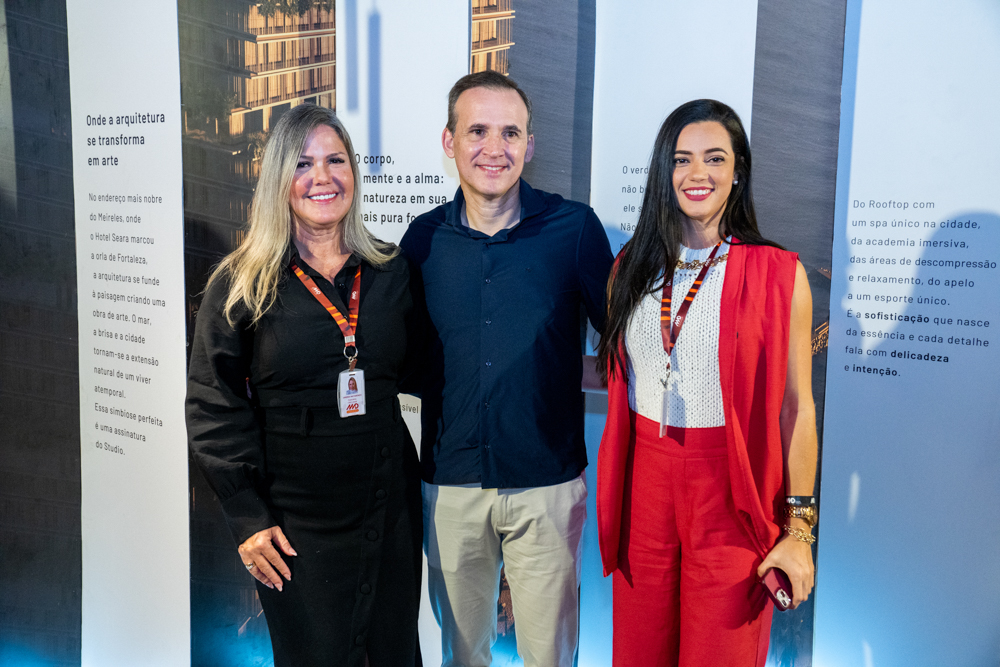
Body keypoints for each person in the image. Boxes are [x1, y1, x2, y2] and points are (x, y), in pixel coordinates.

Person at [185, 104, 422, 667]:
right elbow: (213, 404)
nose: (323, 177)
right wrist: (247, 516)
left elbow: (429, 370)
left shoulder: (390, 271)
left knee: (393, 652)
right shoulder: (242, 282)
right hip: (294, 526)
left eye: (336, 160)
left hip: (389, 506)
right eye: (303, 164)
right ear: (278, 181)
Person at [400, 71, 614, 667]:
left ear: (530, 144)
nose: (494, 148)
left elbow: (626, 339)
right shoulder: (422, 242)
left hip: (547, 481)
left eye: (510, 132)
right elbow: (406, 359)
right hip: (451, 481)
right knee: (462, 656)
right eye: (477, 131)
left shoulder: (574, 230)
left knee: (549, 655)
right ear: (449, 142)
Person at [596, 99, 818, 666]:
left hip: (730, 488)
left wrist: (801, 528)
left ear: (737, 170)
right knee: (639, 648)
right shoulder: (630, 268)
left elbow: (797, 410)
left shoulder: (779, 274)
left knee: (723, 648)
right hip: (644, 479)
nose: (698, 174)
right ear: (663, 173)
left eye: (715, 158)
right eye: (682, 160)